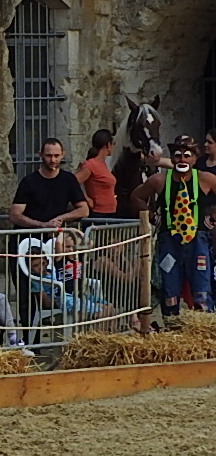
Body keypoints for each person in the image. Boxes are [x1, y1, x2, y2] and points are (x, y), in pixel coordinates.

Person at [132, 135, 216, 324]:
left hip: (197, 241)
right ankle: (172, 326)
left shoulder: (205, 178)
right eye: (178, 156)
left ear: (195, 157)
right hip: (169, 242)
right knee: (170, 286)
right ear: (172, 158)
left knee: (201, 286)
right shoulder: (159, 180)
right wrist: (151, 215)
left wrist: (212, 216)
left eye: (187, 156)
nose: (182, 160)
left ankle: (204, 328)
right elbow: (136, 196)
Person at [9, 138, 89, 230]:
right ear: (40, 155)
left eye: (56, 155)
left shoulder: (69, 179)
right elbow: (14, 215)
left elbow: (84, 210)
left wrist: (61, 218)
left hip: (54, 238)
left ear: (63, 154)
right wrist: (43, 225)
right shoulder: (29, 181)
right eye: (49, 156)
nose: (53, 160)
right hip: (29, 238)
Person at [78, 129, 120, 221]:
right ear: (108, 145)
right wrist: (86, 198)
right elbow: (74, 181)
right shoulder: (91, 164)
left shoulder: (103, 164)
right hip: (98, 214)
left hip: (109, 213)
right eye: (113, 144)